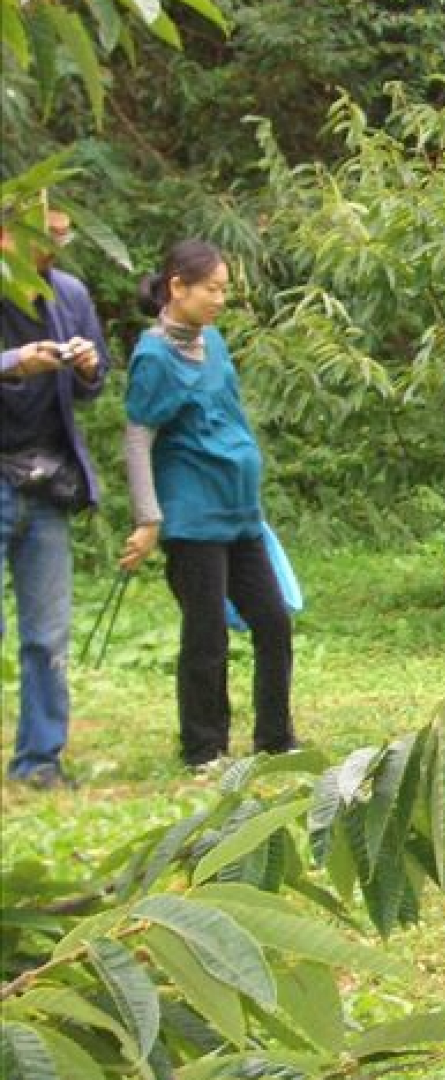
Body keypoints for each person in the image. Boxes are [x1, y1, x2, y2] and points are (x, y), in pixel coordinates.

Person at [117, 241, 297, 770]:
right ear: (177, 287)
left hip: (240, 512)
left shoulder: (213, 342)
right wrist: (148, 518)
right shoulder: (153, 357)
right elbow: (138, 436)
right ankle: (204, 747)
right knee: (206, 633)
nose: (220, 299)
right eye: (212, 289)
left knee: (273, 621)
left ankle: (275, 738)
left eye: (224, 290)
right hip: (193, 517)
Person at [0, 207, 110, 789]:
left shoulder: (69, 294)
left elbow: (96, 385)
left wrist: (87, 366)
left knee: (47, 635)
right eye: (46, 236)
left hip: (48, 481)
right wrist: (15, 362)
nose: (55, 247)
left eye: (62, 236)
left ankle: (40, 762)